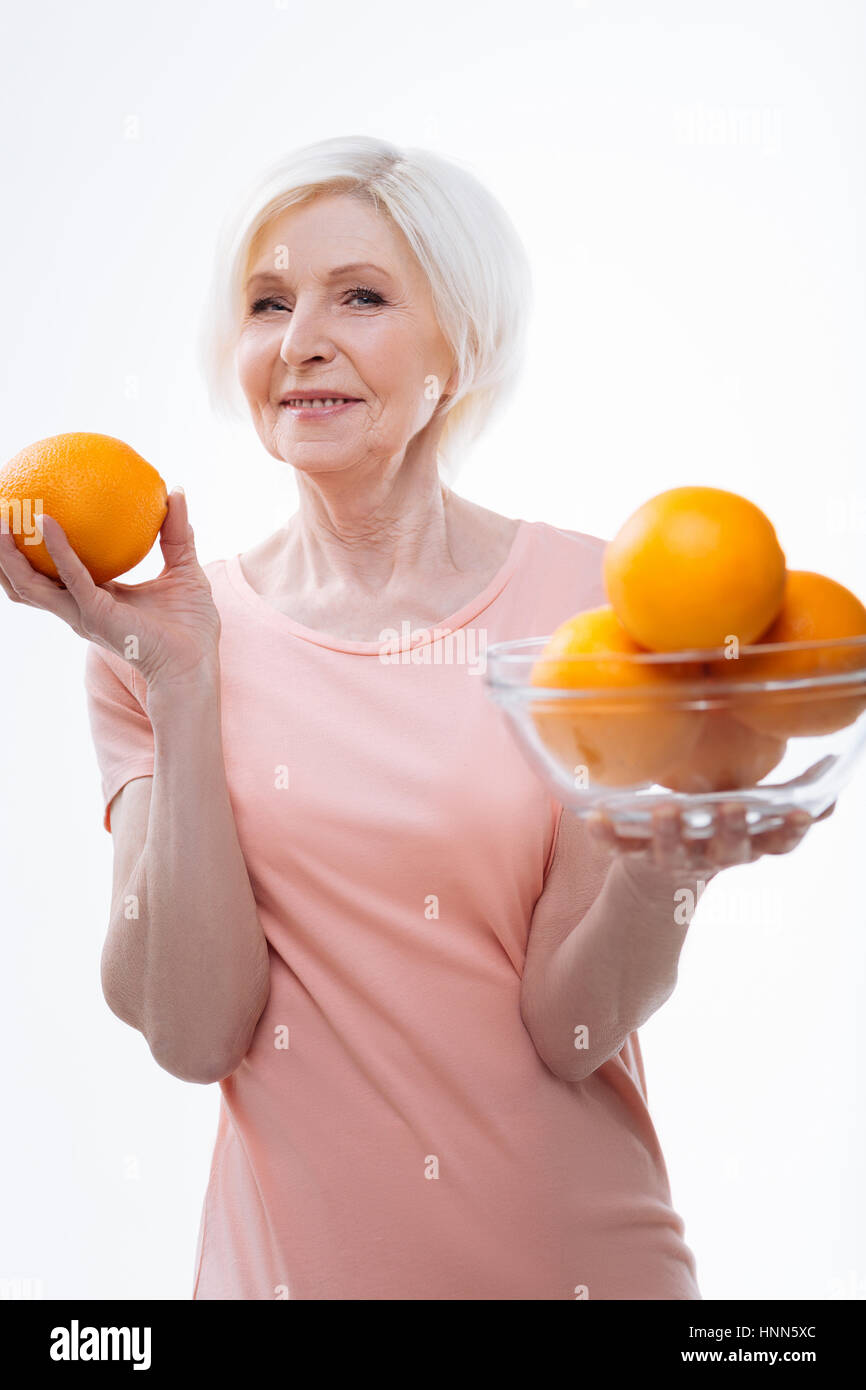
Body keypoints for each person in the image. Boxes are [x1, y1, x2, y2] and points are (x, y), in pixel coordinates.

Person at [0, 135, 819, 1300]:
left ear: (459, 346)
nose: (299, 342)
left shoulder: (597, 607)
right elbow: (191, 1034)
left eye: (363, 296)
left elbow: (570, 1030)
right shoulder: (165, 639)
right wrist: (185, 690)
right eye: (268, 302)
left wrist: (663, 864)